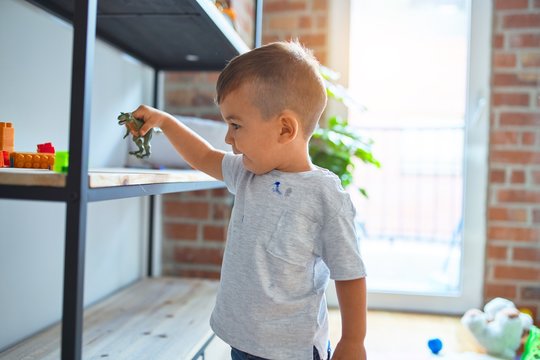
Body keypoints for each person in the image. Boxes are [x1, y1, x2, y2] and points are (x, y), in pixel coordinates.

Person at [129, 41, 367, 360]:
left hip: (290, 351)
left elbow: (349, 273)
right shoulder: (247, 173)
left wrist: (353, 341)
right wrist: (166, 122)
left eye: (236, 125)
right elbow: (202, 155)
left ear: (284, 128)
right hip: (242, 340)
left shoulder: (323, 195)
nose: (228, 138)